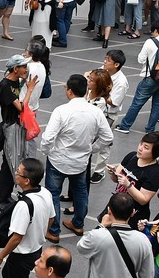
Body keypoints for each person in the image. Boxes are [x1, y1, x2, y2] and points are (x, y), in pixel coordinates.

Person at [40, 74, 114, 241]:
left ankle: (53, 230)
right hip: (81, 161)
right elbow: (108, 138)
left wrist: (47, 151)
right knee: (81, 193)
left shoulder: (61, 111)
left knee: (53, 194)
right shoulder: (95, 112)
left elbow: (48, 138)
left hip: (58, 159)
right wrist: (92, 149)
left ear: (70, 91)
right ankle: (78, 224)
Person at [0, 157, 54, 278]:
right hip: (36, 249)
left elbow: (16, 238)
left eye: (18, 172)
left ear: (27, 180)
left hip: (22, 256)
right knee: (9, 275)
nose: (15, 173)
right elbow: (51, 218)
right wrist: (40, 234)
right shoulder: (45, 193)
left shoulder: (23, 205)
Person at [0, 56, 29, 208]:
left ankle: (4, 196)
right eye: (23, 67)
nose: (26, 69)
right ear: (15, 68)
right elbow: (20, 107)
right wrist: (30, 89)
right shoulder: (5, 85)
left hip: (17, 126)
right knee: (9, 162)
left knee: (12, 162)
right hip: (10, 126)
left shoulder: (16, 82)